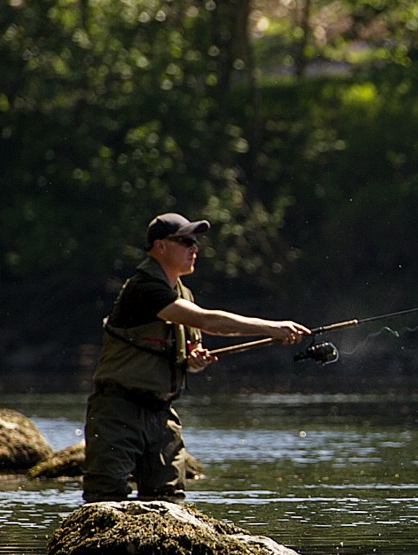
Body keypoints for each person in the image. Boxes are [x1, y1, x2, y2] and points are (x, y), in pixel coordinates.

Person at [81, 212, 309, 503]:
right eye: (185, 241)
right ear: (160, 246)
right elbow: (209, 322)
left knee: (168, 502)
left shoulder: (183, 293)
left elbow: (187, 353)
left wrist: (193, 361)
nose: (194, 249)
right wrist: (271, 328)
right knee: (106, 499)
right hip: (118, 411)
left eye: (195, 242)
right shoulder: (143, 288)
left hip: (162, 415)